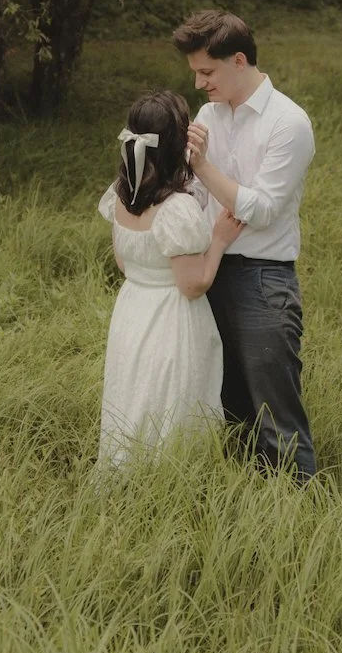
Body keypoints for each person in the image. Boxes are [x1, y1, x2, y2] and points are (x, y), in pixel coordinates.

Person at [172, 10, 317, 481]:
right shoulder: (209, 115)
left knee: (275, 411)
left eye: (206, 72)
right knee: (225, 403)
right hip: (211, 270)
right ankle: (246, 506)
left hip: (263, 278)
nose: (198, 83)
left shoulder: (288, 122)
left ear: (239, 60)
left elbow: (262, 208)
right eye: (195, 72)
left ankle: (301, 511)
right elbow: (194, 193)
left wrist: (204, 166)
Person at [97, 88, 245, 466]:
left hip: (132, 309)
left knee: (134, 391)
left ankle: (128, 470)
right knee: (172, 397)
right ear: (177, 144)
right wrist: (219, 240)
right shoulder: (176, 207)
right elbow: (192, 284)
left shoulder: (122, 194)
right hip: (171, 316)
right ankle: (167, 477)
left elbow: (124, 263)